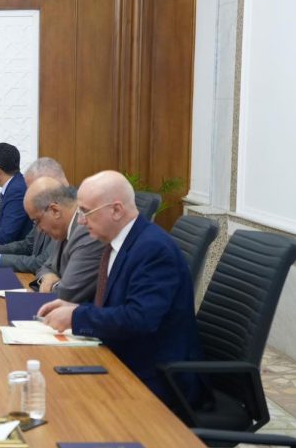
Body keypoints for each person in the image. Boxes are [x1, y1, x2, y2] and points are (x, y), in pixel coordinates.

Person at [38, 170, 202, 405]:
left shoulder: (153, 249)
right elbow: (118, 306)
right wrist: (73, 307)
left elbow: (139, 318)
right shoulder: (119, 242)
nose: (81, 221)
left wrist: (77, 316)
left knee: (63, 401)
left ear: (116, 210)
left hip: (157, 376)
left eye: (86, 212)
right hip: (123, 356)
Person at [0, 157, 67, 272]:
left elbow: (42, 262)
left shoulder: (63, 215)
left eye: (32, 189)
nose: (29, 193)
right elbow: (27, 245)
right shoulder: (44, 208)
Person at [26, 177, 106, 303]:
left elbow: (67, 294)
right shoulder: (63, 229)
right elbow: (45, 266)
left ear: (55, 211)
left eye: (37, 221)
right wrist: (48, 276)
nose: (39, 230)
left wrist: (52, 285)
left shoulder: (86, 231)